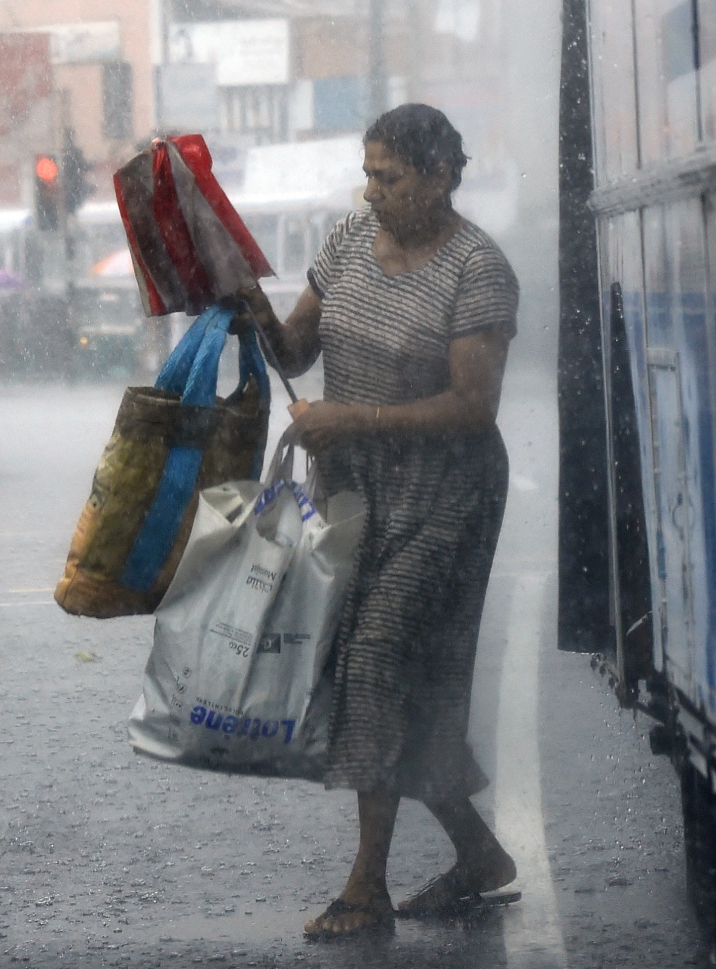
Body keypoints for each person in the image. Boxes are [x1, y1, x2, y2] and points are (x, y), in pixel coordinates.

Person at [234, 104, 521, 939]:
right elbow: (293, 353)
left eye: (388, 178)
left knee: (378, 658)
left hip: (448, 496)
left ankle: (367, 885)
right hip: (356, 491)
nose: (371, 194)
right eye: (367, 175)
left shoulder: (479, 270)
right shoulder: (349, 245)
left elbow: (473, 406)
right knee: (404, 681)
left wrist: (351, 419)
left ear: (439, 178)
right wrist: (245, 298)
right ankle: (478, 854)